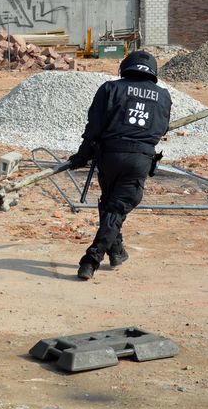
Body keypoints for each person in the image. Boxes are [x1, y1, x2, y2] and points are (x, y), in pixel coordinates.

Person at [67, 51, 172, 280]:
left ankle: (117, 251)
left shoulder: (110, 88)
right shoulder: (163, 96)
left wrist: (81, 156)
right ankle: (92, 259)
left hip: (110, 157)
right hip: (140, 159)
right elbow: (162, 129)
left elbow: (93, 128)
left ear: (125, 68)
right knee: (115, 209)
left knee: (110, 205)